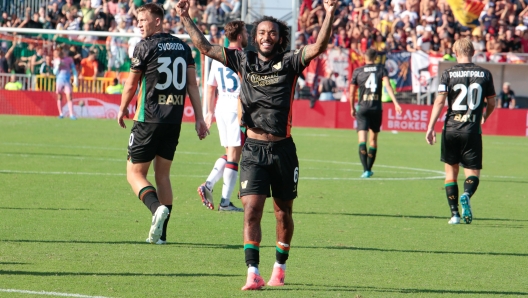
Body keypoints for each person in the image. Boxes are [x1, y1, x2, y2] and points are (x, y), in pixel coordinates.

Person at [178, 0, 338, 290]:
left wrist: (328, 14)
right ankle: (253, 272)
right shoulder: (243, 60)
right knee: (252, 209)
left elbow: (319, 47)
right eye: (262, 32)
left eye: (272, 32)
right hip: (252, 149)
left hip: (283, 150)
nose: (266, 36)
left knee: (283, 212)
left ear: (279, 37)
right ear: (255, 36)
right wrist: (185, 17)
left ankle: (280, 266)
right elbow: (204, 48)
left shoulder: (290, 61)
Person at [117, 3, 209, 245]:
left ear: (158, 20)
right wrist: (199, 118)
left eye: (143, 19)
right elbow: (192, 86)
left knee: (134, 173)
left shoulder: (145, 46)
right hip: (173, 120)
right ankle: (161, 235)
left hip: (148, 119)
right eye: (138, 20)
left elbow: (131, 84)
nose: (139, 24)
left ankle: (156, 208)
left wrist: (122, 107)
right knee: (163, 176)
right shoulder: (183, 47)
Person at [425, 38, 496, 225]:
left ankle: (454, 214)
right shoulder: (485, 74)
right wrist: (484, 116)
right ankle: (467, 193)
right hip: (471, 129)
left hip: (450, 128)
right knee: (472, 174)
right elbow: (492, 103)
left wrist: (431, 126)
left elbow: (439, 102)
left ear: (455, 53)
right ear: (473, 52)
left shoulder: (448, 73)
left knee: (450, 173)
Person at [197, 20, 248, 212]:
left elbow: (210, 87)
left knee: (231, 153)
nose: (249, 36)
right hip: (237, 108)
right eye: (246, 32)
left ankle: (210, 186)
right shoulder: (244, 57)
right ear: (240, 36)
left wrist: (208, 112)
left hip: (221, 108)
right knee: (234, 157)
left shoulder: (219, 57)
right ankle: (223, 200)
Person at [349, 49, 403, 178]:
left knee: (362, 140)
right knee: (373, 141)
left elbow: (351, 92)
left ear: (364, 57)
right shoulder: (381, 69)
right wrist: (395, 103)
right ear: (376, 58)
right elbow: (388, 87)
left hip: (362, 107)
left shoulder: (358, 71)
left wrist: (351, 107)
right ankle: (369, 169)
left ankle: (365, 169)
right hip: (376, 108)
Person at [53, 47, 78, 120]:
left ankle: (71, 114)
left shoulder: (69, 60)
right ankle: (61, 113)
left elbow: (74, 69)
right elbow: (55, 72)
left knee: (69, 96)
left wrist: (75, 79)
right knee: (59, 96)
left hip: (67, 80)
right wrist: (58, 65)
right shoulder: (56, 60)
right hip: (59, 80)